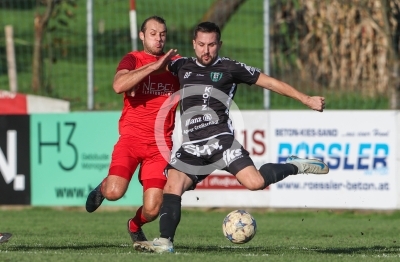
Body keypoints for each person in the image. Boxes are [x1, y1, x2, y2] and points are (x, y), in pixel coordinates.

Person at [133, 21, 330, 253]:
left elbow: (270, 82)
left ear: (219, 44)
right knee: (172, 187)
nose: (206, 51)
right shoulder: (181, 65)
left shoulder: (230, 67)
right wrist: (132, 83)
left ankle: (296, 166)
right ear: (194, 44)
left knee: (255, 183)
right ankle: (165, 241)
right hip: (192, 148)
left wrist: (306, 99)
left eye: (212, 45)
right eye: (202, 45)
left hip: (220, 142)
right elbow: (149, 63)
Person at [85, 16, 180, 243]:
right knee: (114, 193)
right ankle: (104, 187)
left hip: (160, 145)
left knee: (153, 209)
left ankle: (134, 225)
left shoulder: (176, 63)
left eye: (162, 34)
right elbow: (119, 85)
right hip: (131, 139)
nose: (158, 38)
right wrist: (152, 68)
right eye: (153, 33)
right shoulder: (133, 59)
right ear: (142, 36)